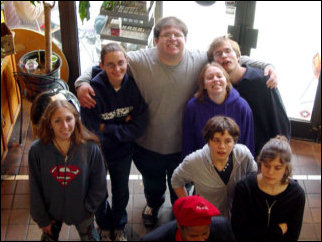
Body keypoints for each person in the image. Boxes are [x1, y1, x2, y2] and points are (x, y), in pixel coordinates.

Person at [75, 16, 276, 227]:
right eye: (166, 35)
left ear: (186, 39)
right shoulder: (138, 60)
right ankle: (153, 205)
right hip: (147, 145)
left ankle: (180, 212)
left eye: (177, 34)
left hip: (182, 148)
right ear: (155, 40)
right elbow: (104, 66)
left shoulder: (199, 60)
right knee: (152, 186)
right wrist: (81, 83)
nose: (172, 38)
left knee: (181, 187)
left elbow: (230, 60)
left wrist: (267, 65)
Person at [80, 43, 148, 241]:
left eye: (120, 63)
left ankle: (118, 226)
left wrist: (107, 128)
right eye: (110, 65)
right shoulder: (93, 90)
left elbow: (140, 124)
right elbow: (91, 126)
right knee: (99, 192)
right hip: (98, 150)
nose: (117, 69)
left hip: (122, 150)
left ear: (127, 61)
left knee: (121, 191)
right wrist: (122, 126)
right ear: (101, 65)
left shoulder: (133, 86)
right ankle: (103, 224)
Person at [28, 100, 107, 241]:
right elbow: (35, 187)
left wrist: (88, 208)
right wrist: (42, 219)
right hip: (51, 211)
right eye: (57, 121)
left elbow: (99, 183)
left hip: (83, 212)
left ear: (76, 119)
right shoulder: (36, 151)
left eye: (69, 119)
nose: (64, 126)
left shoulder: (90, 148)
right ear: (49, 123)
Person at [208, 35, 290, 157]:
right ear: (213, 63)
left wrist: (280, 152)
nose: (224, 56)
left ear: (238, 56)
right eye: (218, 54)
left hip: (264, 153)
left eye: (228, 51)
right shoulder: (218, 89)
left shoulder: (262, 80)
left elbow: (279, 121)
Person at [172, 116, 257, 219]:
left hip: (239, 217)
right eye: (216, 140)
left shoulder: (243, 155)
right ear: (208, 141)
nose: (222, 146)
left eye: (227, 141)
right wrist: (191, 206)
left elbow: (255, 176)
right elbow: (176, 180)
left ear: (234, 142)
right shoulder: (194, 161)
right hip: (208, 220)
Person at [231, 136, 305, 242]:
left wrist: (257, 232)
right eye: (266, 165)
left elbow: (293, 236)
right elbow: (239, 232)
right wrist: (277, 231)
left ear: (286, 169)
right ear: (260, 163)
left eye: (277, 168)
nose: (270, 172)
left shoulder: (296, 195)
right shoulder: (244, 188)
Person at [182, 62, 254, 159]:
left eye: (219, 76)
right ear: (203, 84)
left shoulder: (242, 107)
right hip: (202, 166)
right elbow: (188, 144)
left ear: (227, 81)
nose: (215, 80)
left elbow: (248, 143)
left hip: (234, 167)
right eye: (210, 77)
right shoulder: (193, 108)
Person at [141, 195, 236, 241]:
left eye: (205, 233)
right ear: (179, 225)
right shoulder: (154, 240)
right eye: (193, 236)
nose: (201, 240)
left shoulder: (223, 228)